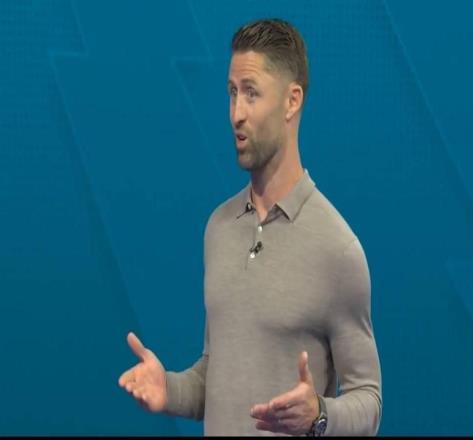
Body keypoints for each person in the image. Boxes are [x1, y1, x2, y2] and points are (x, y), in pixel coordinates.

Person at [118, 18, 382, 436]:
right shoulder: (219, 229)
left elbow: (368, 401)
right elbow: (216, 375)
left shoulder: (337, 250)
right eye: (232, 93)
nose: (236, 114)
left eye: (251, 93)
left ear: (292, 101)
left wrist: (318, 414)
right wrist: (169, 389)